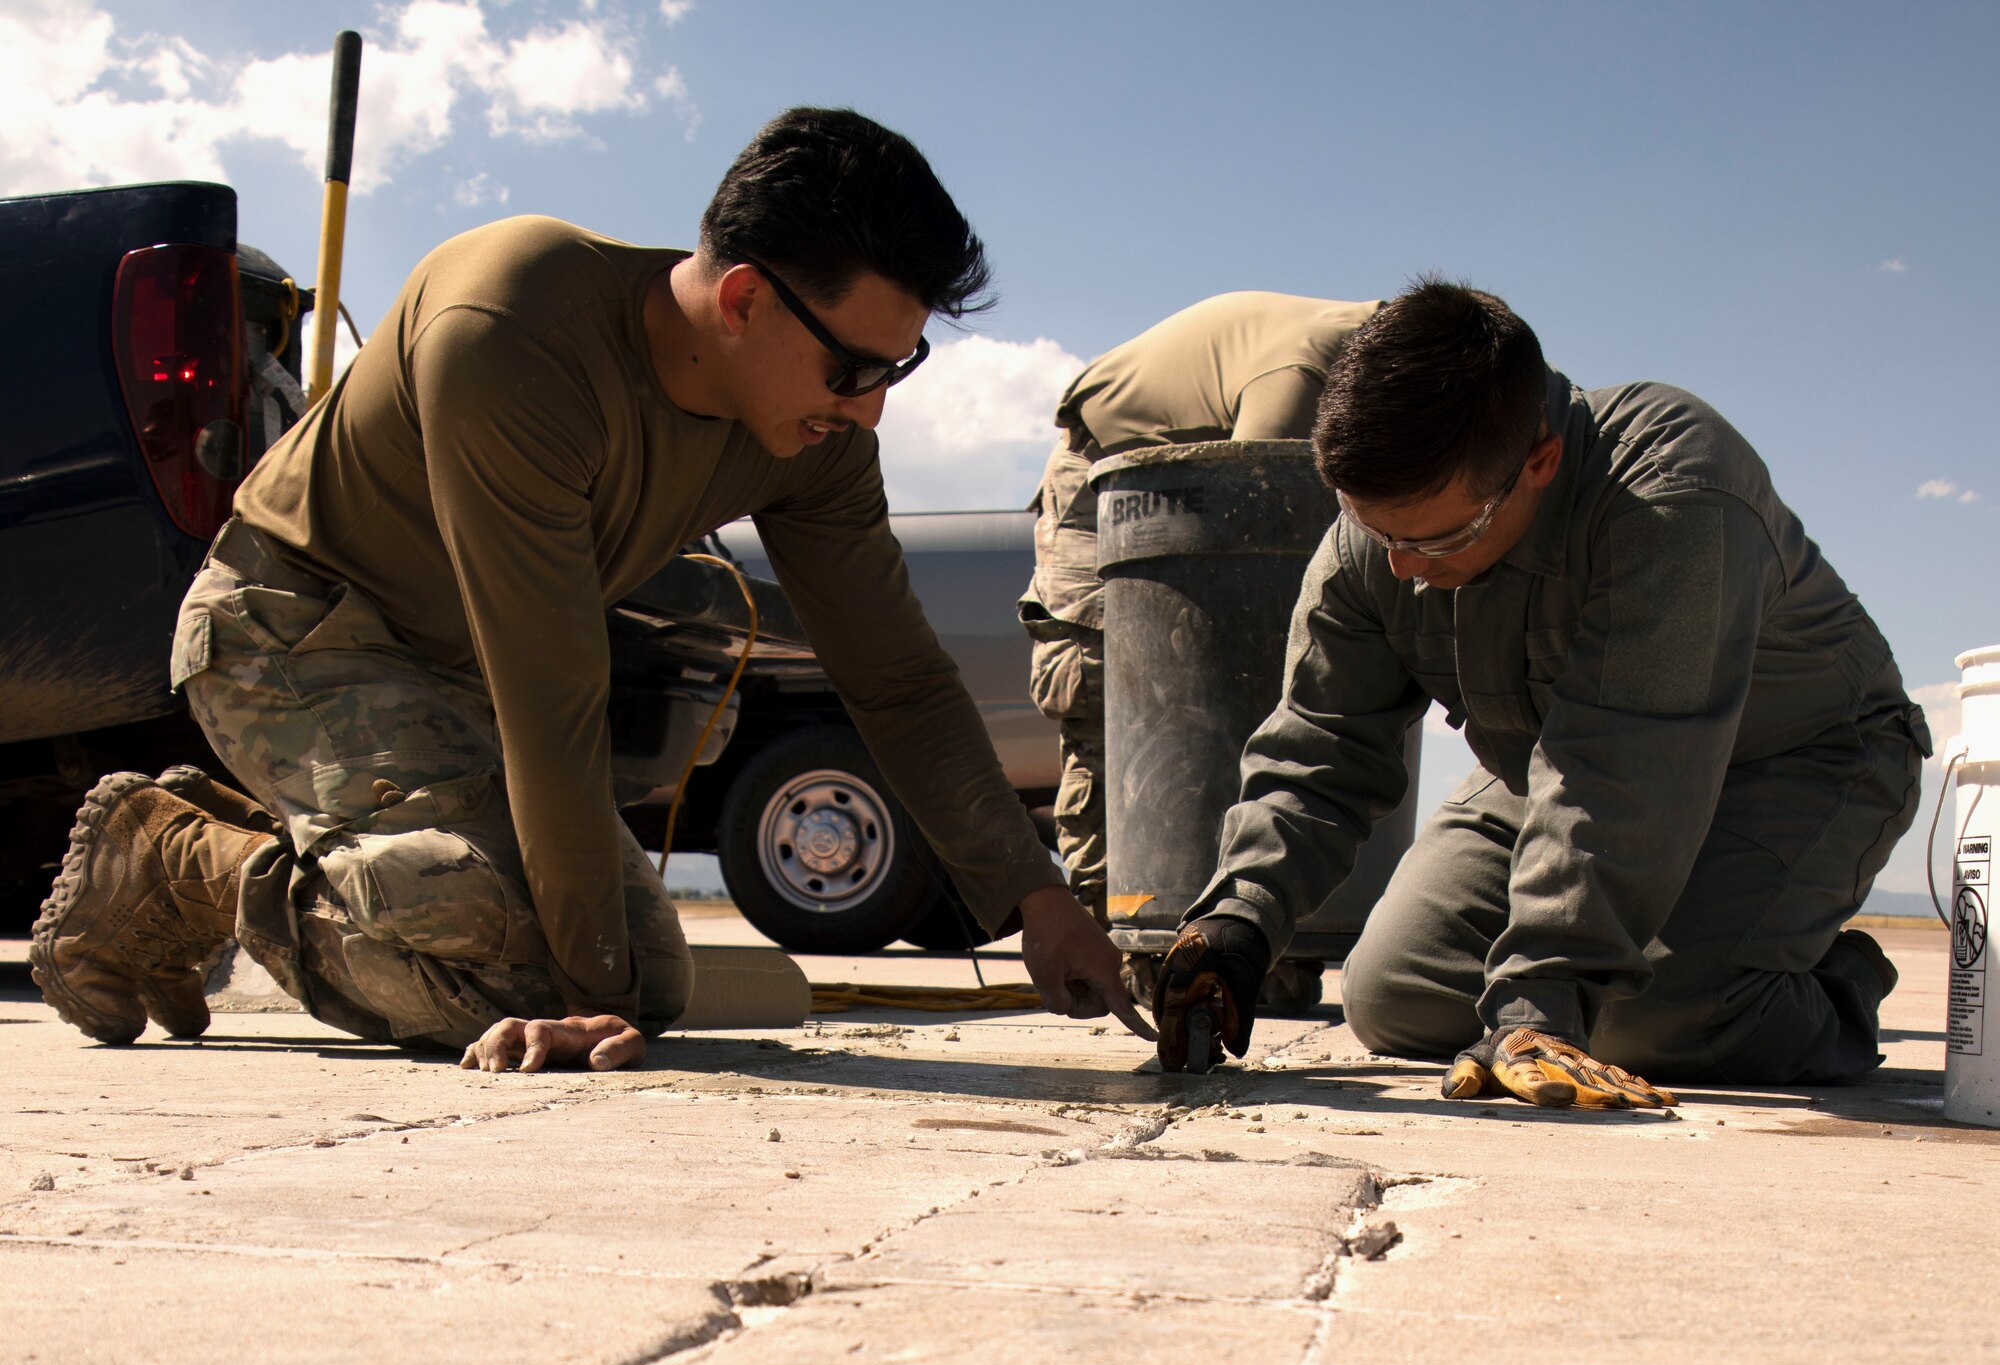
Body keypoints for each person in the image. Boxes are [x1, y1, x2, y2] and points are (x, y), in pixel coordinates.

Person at [31, 106, 1150, 1073]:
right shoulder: (511, 328)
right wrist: (571, 1002)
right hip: (293, 625)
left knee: (652, 976)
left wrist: (1036, 901)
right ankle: (176, 858)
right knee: (509, 966)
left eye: (893, 372)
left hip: (458, 670)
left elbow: (895, 675)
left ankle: (300, 865)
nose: (868, 410)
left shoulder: (812, 436)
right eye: (852, 370)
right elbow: (553, 697)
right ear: (747, 299)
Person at [1152, 279, 1927, 1108]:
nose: (1403, 569)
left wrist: (1539, 1004)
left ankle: (1836, 985)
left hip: (1798, 764)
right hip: (1551, 763)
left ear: (1540, 463)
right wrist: (1240, 917)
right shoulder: (1379, 543)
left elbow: (1626, 770)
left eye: (1438, 538)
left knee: (1643, 1019)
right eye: (1375, 530)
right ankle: (1693, 956)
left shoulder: (1671, 491)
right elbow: (1322, 742)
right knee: (1395, 994)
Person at [1017, 292, 1381, 922]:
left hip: (1184, 483)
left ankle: (1235, 916)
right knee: (1113, 695)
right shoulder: (1303, 377)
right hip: (1101, 476)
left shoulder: (1386, 358)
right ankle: (1115, 927)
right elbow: (1245, 531)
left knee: (1237, 693)